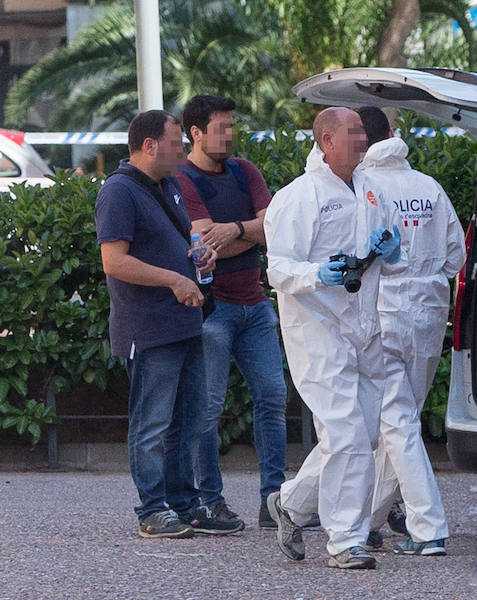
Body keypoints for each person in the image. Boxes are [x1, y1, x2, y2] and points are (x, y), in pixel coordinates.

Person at [263, 107, 402, 570]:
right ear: (327, 140)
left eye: (363, 131)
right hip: (317, 330)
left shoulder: (369, 189)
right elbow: (279, 268)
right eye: (355, 132)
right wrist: (318, 275)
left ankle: (291, 505)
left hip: (363, 327)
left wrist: (389, 249)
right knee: (345, 432)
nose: (364, 139)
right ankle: (346, 540)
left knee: (357, 435)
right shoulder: (297, 198)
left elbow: (390, 251)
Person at [94, 110, 243, 538]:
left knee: (190, 421)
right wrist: (174, 279)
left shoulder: (170, 185)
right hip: (149, 328)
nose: (182, 150)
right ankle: (152, 510)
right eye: (176, 142)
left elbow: (176, 242)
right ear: (149, 145)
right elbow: (113, 261)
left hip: (186, 323)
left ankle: (184, 504)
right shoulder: (118, 192)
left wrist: (197, 256)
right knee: (152, 425)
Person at [356, 106, 466, 556]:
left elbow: (355, 254)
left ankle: (428, 528)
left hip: (384, 309)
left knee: (396, 424)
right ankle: (369, 521)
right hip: (429, 310)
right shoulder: (428, 186)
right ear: (393, 134)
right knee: (399, 424)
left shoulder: (362, 188)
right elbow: (456, 255)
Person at [176, 95, 288, 530]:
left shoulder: (245, 170)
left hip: (256, 305)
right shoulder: (183, 179)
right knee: (207, 408)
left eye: (231, 126)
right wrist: (251, 232)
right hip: (214, 309)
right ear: (196, 133)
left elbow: (273, 226)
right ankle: (210, 501)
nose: (230, 134)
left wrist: (237, 230)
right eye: (221, 127)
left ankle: (274, 501)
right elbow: (205, 243)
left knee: (273, 397)